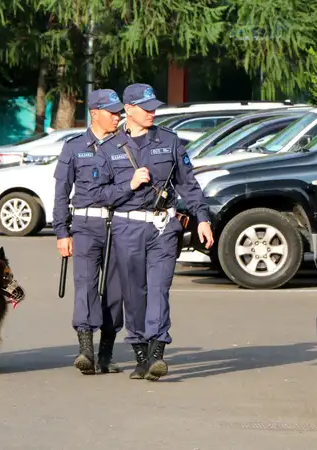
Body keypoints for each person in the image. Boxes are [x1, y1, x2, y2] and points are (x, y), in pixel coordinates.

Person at [91, 83, 214, 380]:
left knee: (159, 288)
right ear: (128, 110)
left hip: (164, 226)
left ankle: (157, 352)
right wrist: (128, 185)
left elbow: (188, 184)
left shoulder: (169, 142)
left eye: (154, 107)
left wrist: (202, 218)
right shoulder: (109, 149)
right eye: (145, 108)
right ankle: (140, 353)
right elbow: (98, 194)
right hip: (127, 227)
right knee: (134, 294)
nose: (152, 112)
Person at [52, 88, 147, 375]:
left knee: (116, 290)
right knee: (86, 286)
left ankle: (106, 352)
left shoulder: (128, 145)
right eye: (112, 112)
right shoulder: (74, 146)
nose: (117, 116)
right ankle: (86, 350)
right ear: (95, 113)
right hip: (85, 225)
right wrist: (61, 232)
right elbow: (60, 192)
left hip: (120, 223)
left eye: (119, 111)